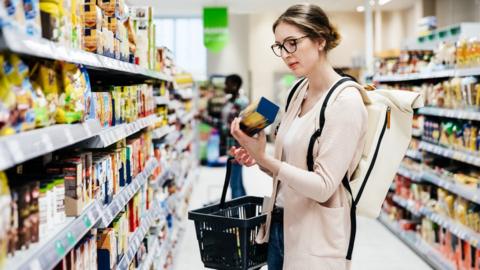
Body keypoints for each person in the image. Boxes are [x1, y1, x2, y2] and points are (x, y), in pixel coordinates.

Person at [230, 4, 367, 270]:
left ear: (319, 40)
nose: (285, 54)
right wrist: (258, 157)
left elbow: (323, 185)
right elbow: (290, 169)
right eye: (280, 46)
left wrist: (266, 160)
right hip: (279, 226)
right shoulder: (296, 91)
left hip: (315, 237)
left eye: (292, 43)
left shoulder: (345, 102)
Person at [222, 74, 248, 198]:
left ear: (235, 85)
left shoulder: (240, 104)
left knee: (234, 184)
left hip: (236, 146)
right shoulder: (231, 101)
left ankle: (237, 215)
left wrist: (205, 118)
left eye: (227, 84)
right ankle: (247, 211)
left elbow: (229, 127)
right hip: (232, 145)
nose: (224, 87)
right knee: (238, 181)